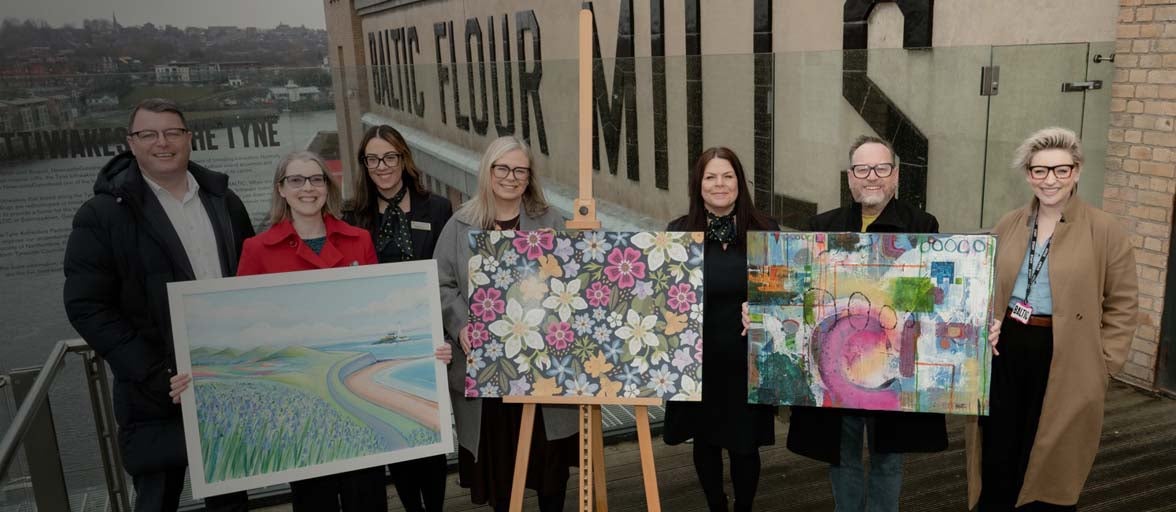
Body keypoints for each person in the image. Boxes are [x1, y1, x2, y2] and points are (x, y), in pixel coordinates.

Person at [168, 151, 453, 511]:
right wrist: (200, 378)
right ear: (281, 190)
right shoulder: (256, 250)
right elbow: (241, 329)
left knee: (366, 499)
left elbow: (384, 319)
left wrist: (428, 347)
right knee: (313, 500)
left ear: (327, 187)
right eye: (296, 180)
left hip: (362, 443)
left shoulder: (358, 240)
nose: (308, 188)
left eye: (316, 179)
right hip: (299, 440)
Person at [63, 98, 254, 512]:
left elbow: (248, 285)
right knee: (157, 500)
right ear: (131, 144)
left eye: (172, 132)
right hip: (155, 393)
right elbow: (87, 306)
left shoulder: (224, 200)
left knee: (230, 498)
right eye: (148, 134)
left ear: (189, 139)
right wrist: (157, 375)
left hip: (223, 383)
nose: (161, 143)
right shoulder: (101, 215)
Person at [967, 127, 1138, 511]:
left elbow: (1124, 303)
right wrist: (987, 324)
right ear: (1029, 175)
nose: (1050, 180)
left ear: (1077, 171)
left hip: (1067, 354)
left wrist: (1104, 365)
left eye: (1061, 170)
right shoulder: (1010, 223)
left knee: (1050, 454)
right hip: (1006, 350)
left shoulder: (1104, 230)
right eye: (1040, 171)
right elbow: (983, 283)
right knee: (999, 448)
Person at [785, 135, 948, 512]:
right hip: (835, 363)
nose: (871, 177)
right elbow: (802, 293)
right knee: (841, 455)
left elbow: (932, 294)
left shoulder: (922, 224)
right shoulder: (821, 225)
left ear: (895, 176)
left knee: (888, 457)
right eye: (862, 169)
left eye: (881, 168)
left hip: (892, 362)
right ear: (849, 176)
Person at [435, 135, 578, 512]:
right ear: (488, 170)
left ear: (529, 176)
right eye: (503, 168)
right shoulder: (459, 224)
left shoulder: (550, 220)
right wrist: (462, 324)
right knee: (501, 467)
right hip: (488, 375)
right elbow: (442, 284)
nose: (511, 177)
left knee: (548, 465)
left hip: (542, 371)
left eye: (520, 170)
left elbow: (572, 280)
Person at [662, 147, 779, 512]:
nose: (719, 184)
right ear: (698, 184)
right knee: (706, 441)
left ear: (739, 182)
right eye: (711, 176)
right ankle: (716, 504)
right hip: (699, 360)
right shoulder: (678, 233)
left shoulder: (765, 230)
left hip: (748, 361)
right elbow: (666, 298)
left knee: (745, 445)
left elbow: (785, 293)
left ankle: (744, 507)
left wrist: (763, 307)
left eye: (727, 176)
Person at [344, 124, 453, 512]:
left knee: (430, 428)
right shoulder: (352, 216)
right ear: (364, 164)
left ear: (403, 159)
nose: (381, 166)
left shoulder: (436, 208)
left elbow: (447, 274)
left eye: (389, 157)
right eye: (372, 159)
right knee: (398, 431)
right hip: (381, 341)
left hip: (428, 338)